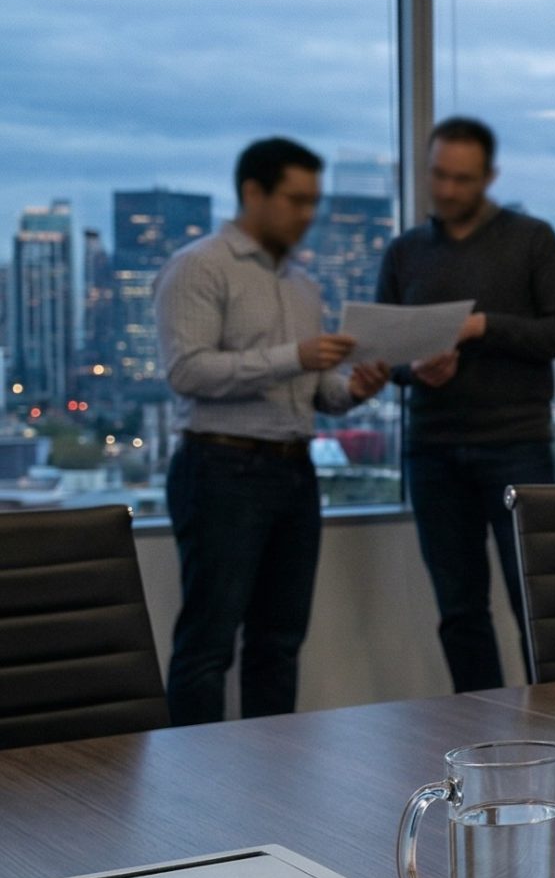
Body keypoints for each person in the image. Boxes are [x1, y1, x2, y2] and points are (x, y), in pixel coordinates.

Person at [157, 138, 391, 724]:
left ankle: (271, 770)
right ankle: (194, 774)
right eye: (295, 199)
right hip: (221, 468)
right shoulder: (199, 266)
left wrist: (354, 391)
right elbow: (187, 371)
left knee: (280, 643)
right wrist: (295, 356)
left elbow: (317, 392)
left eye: (313, 201)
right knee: (208, 646)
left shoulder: (302, 285)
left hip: (293, 469)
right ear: (252, 192)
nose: (308, 214)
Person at [376, 116, 555, 692]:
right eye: (438, 175)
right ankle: (483, 728)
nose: (446, 190)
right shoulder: (404, 253)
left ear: (489, 177)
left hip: (516, 446)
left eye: (462, 179)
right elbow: (384, 355)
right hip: (432, 450)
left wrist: (481, 327)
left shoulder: (532, 239)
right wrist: (415, 368)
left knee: (537, 604)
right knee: (459, 611)